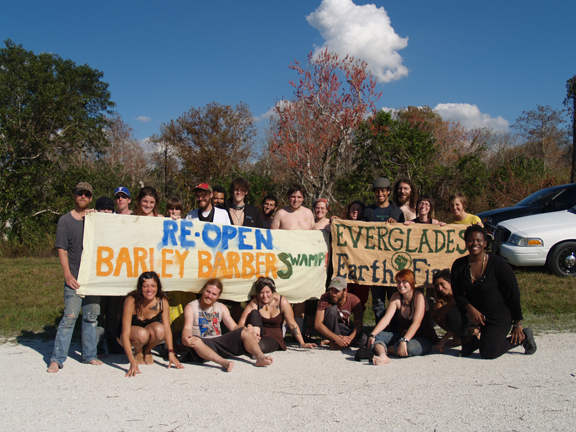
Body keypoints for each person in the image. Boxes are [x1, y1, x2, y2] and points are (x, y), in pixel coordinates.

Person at [445, 225, 537, 359]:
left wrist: (517, 323)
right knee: (451, 318)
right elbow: (458, 295)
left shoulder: (498, 264)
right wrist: (471, 309)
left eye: (479, 240)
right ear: (465, 243)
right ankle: (470, 342)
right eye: (471, 240)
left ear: (485, 243)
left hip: (498, 314)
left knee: (489, 352)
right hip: (476, 313)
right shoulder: (459, 265)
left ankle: (523, 337)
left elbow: (514, 293)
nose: (475, 243)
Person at [48, 182, 102, 373]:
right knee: (69, 317)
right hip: (74, 277)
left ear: (90, 198)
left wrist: (97, 216)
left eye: (87, 194)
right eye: (80, 193)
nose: (83, 197)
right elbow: (61, 249)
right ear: (74, 195)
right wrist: (67, 274)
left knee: (91, 317)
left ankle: (89, 355)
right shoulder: (65, 221)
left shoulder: (94, 219)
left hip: (93, 278)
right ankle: (57, 359)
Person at [181, 279, 273, 371]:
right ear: (203, 290)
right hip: (202, 343)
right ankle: (223, 362)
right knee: (195, 341)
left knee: (243, 332)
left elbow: (233, 327)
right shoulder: (191, 307)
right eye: (208, 292)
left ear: (218, 296)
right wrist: (186, 337)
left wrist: (246, 329)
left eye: (214, 294)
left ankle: (260, 357)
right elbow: (187, 328)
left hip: (219, 341)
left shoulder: (221, 307)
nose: (209, 296)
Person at [117, 271, 183, 377]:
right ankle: (138, 351)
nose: (149, 290)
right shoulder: (131, 301)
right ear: (140, 287)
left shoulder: (162, 302)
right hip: (127, 335)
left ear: (158, 287)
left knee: (160, 330)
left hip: (147, 332)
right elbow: (125, 333)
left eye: (153, 286)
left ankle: (147, 350)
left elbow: (167, 329)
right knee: (142, 334)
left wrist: (171, 352)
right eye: (145, 286)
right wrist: (132, 361)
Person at [368, 269, 439, 365]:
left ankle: (386, 348)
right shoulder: (396, 297)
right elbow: (386, 318)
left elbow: (416, 323)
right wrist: (373, 334)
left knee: (410, 348)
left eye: (404, 282)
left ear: (411, 283)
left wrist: (404, 341)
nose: (401, 285)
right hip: (401, 336)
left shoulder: (419, 297)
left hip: (422, 339)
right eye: (398, 282)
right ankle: (383, 355)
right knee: (376, 336)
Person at [271, 184, 315, 332]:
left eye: (299, 197)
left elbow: (315, 236)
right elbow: (271, 237)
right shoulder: (281, 213)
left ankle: (297, 331)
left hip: (303, 263)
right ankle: (281, 330)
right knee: (284, 295)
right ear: (288, 197)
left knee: (301, 297)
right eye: (293, 196)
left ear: (303, 198)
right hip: (284, 262)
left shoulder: (308, 213)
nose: (296, 200)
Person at [364, 178, 404, 324]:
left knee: (396, 300)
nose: (380, 194)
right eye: (377, 191)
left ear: (388, 192)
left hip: (393, 265)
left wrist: (397, 225)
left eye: (383, 191)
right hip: (374, 265)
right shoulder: (368, 211)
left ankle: (396, 330)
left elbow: (405, 235)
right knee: (377, 302)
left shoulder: (397, 212)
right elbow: (357, 232)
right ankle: (381, 330)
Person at [238, 277, 317, 352]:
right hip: (257, 334)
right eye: (261, 293)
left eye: (267, 292)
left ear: (273, 291)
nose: (265, 296)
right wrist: (247, 330)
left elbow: (292, 324)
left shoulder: (281, 302)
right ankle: (252, 342)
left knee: (260, 346)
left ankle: (252, 347)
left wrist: (302, 343)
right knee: (254, 313)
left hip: (274, 337)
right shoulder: (255, 303)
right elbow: (241, 323)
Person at [314, 276, 367, 350]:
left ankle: (330, 340)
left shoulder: (355, 300)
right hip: (328, 325)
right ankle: (333, 341)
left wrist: (349, 339)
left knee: (363, 339)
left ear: (345, 291)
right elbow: (317, 324)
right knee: (331, 309)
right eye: (332, 290)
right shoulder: (325, 297)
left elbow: (358, 324)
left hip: (342, 327)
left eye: (337, 291)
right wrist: (337, 339)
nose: (333, 294)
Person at [430, 269, 459, 353]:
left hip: (470, 321)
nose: (440, 288)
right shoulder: (442, 295)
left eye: (442, 284)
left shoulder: (459, 292)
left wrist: (443, 340)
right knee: (436, 315)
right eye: (437, 286)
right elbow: (437, 313)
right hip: (457, 323)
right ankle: (457, 338)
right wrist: (450, 304)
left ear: (450, 282)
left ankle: (470, 335)